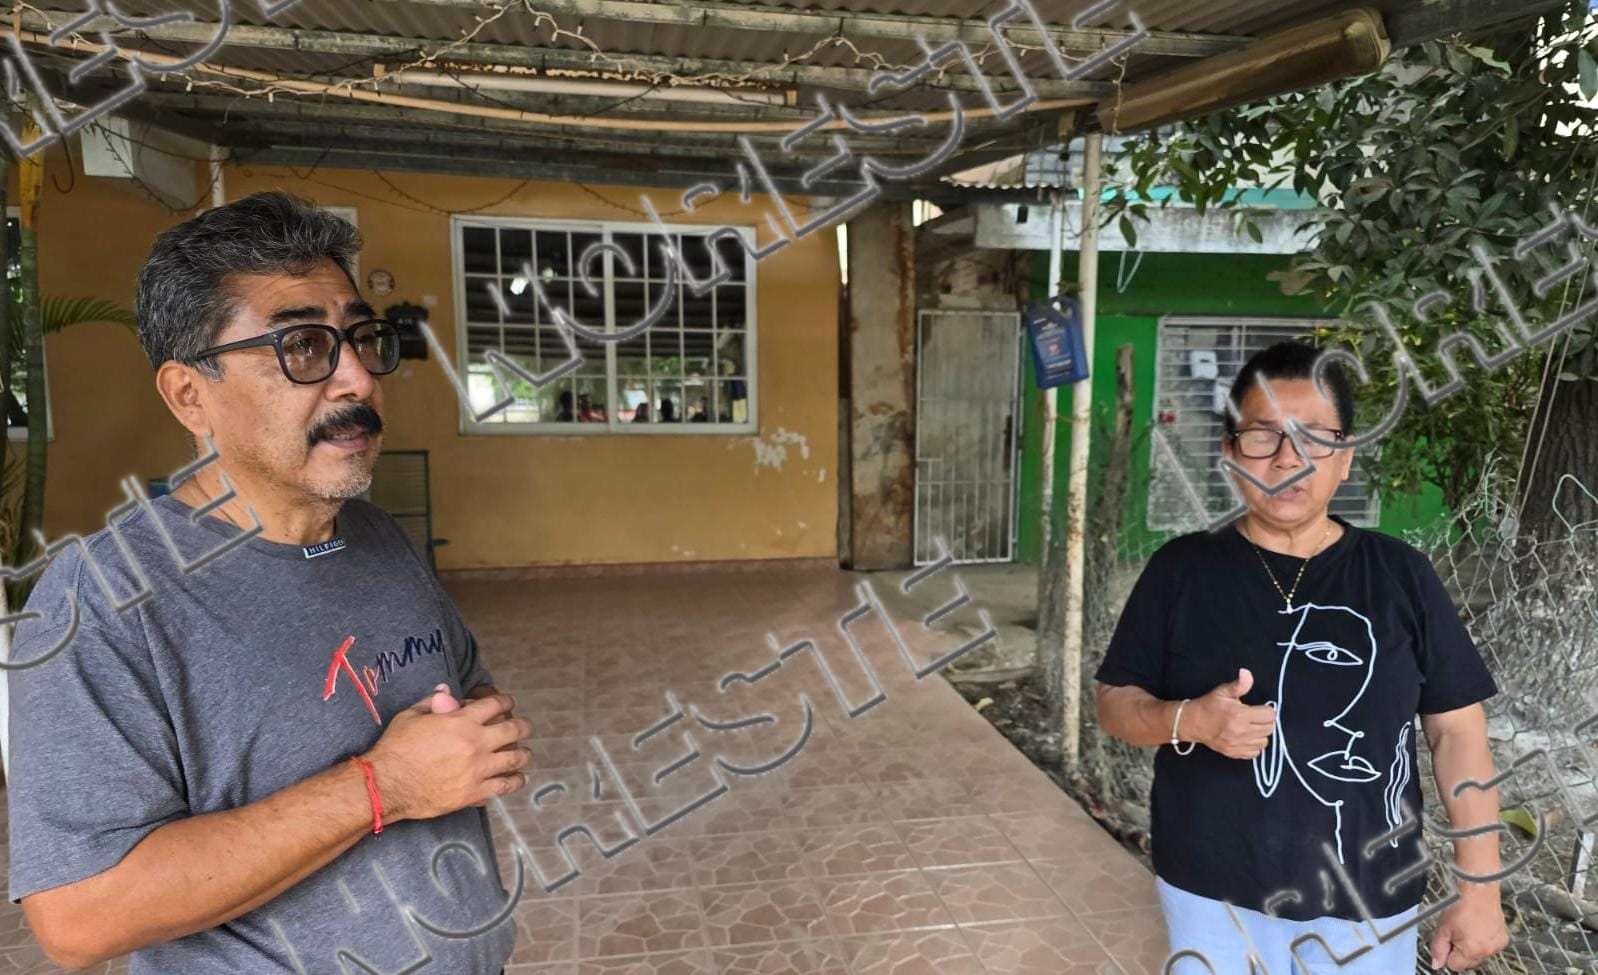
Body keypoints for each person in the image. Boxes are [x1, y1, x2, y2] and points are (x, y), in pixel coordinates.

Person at [4, 192, 532, 973]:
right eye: (303, 346)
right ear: (190, 393)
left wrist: (478, 734)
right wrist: (385, 784)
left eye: (359, 338)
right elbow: (80, 914)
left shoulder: (375, 535)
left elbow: (460, 687)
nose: (357, 378)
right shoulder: (102, 599)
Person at [1095, 341, 1508, 974]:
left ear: (1345, 457)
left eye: (1314, 437)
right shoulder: (1181, 571)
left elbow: (1457, 732)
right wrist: (1190, 721)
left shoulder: (1401, 576)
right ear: (1231, 454)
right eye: (1263, 436)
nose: (1288, 458)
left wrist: (1481, 890)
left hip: (1371, 896)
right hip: (1211, 893)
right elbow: (1115, 704)